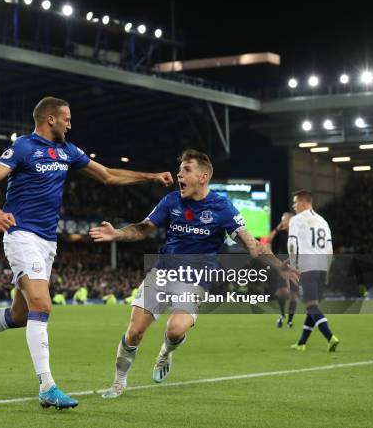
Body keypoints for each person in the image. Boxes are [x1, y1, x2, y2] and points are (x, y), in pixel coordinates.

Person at [0, 96, 173, 409]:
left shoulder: (67, 151)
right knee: (42, 305)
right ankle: (47, 386)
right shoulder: (23, 147)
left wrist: (150, 177)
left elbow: (107, 175)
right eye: (67, 118)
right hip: (21, 235)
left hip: (48, 242)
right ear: (50, 119)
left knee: (20, 315)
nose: (70, 124)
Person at [89, 149, 299, 399]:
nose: (179, 175)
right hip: (163, 271)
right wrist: (117, 234)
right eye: (179, 170)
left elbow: (252, 245)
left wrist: (280, 266)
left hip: (196, 278)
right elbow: (143, 228)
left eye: (186, 170)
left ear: (203, 177)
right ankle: (118, 382)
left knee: (175, 329)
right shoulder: (171, 201)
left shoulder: (222, 207)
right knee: (134, 332)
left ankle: (165, 352)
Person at [288, 190, 339, 352]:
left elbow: (292, 244)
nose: (293, 205)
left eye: (295, 202)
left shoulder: (296, 220)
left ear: (303, 203)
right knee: (313, 306)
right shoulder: (323, 221)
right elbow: (330, 250)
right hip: (322, 267)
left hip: (307, 267)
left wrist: (294, 265)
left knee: (311, 307)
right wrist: (328, 270)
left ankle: (330, 337)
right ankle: (301, 343)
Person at [267, 212, 298, 327]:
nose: (282, 222)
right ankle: (282, 315)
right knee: (281, 293)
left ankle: (290, 320)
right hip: (282, 268)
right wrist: (277, 228)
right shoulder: (281, 234)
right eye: (282, 220)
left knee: (293, 295)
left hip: (294, 267)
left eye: (284, 220)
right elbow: (267, 240)